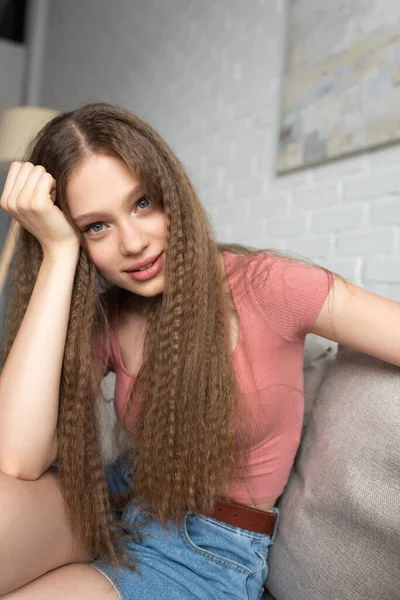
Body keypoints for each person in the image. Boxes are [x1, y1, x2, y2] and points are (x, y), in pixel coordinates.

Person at [0, 102, 398, 600]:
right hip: (113, 499)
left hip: (206, 551)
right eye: (96, 226)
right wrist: (59, 255)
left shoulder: (268, 286)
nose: (134, 242)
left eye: (143, 203)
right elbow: (16, 457)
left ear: (171, 191)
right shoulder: (111, 314)